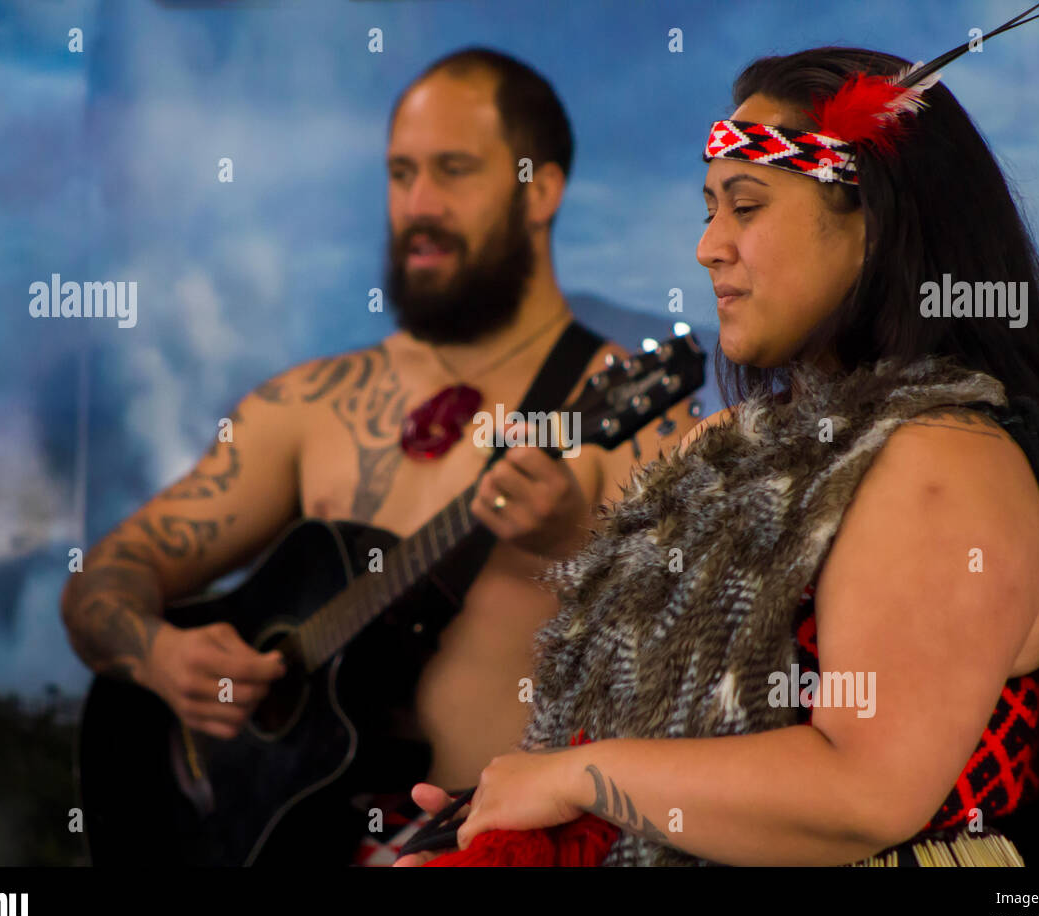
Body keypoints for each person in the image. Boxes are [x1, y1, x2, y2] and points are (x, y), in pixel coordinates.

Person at [397, 37, 1039, 867]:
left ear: (874, 219)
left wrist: (578, 778)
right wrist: (524, 816)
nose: (708, 246)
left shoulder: (944, 458)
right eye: (709, 208)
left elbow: (864, 792)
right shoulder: (730, 447)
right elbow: (670, 756)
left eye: (746, 206)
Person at [60, 47, 696, 865]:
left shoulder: (629, 409)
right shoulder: (308, 404)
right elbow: (101, 579)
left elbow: (706, 667)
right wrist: (159, 656)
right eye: (400, 175)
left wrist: (579, 545)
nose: (418, 205)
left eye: (454, 170)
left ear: (540, 190)